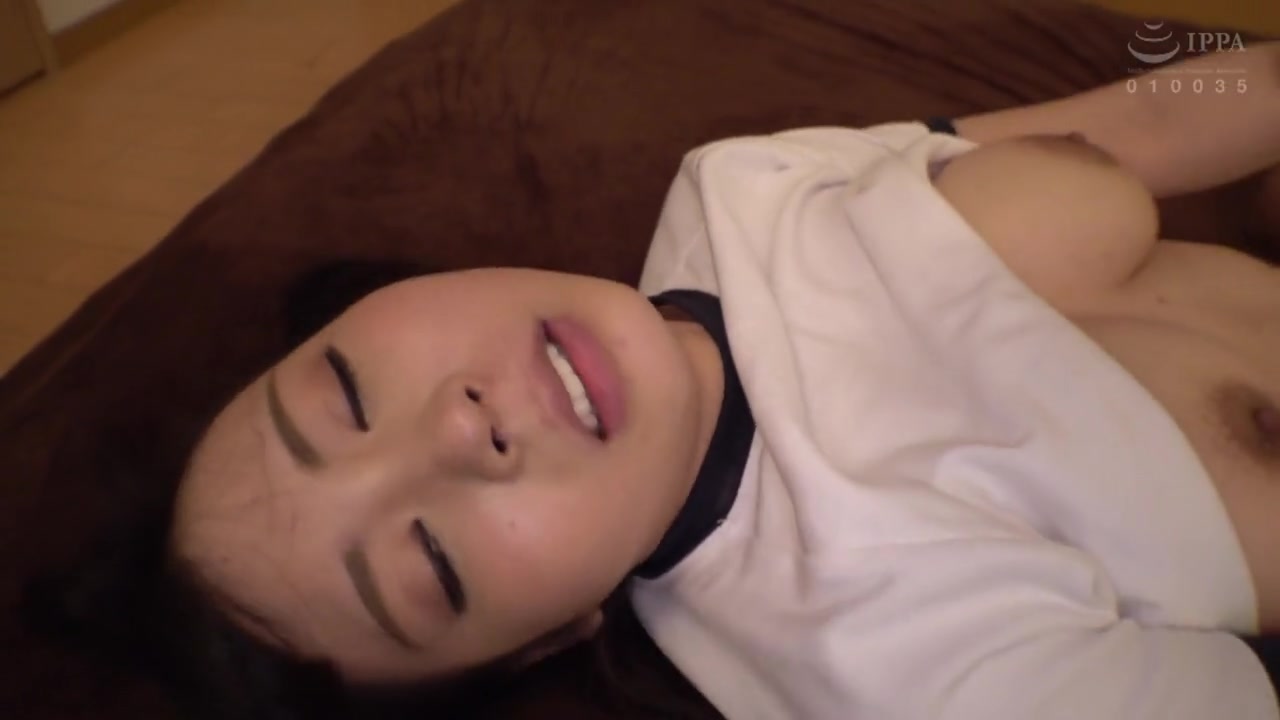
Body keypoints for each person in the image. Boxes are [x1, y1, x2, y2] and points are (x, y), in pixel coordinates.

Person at [31, 42, 1280, 720]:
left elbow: (1144, 125)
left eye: (346, 396)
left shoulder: (731, 189)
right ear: (550, 641)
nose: (459, 430)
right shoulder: (883, 665)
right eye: (434, 565)